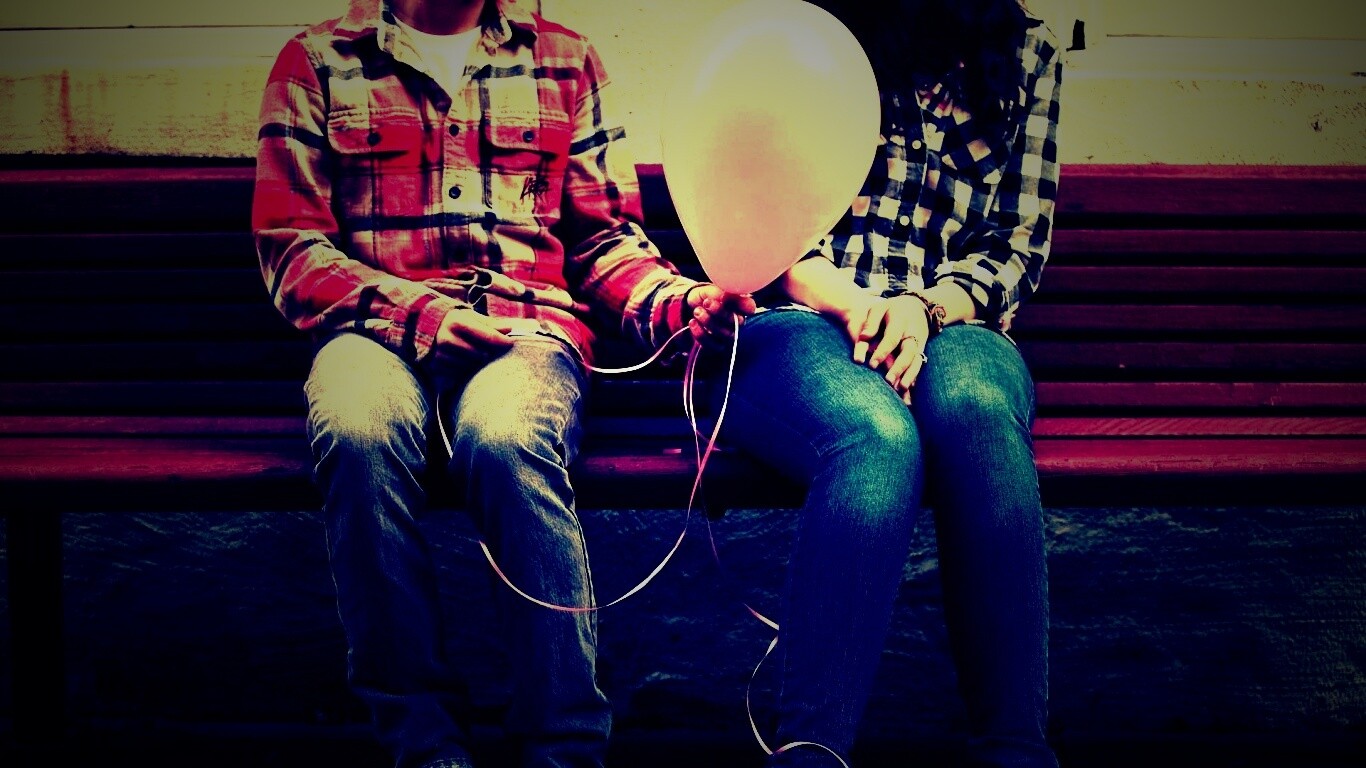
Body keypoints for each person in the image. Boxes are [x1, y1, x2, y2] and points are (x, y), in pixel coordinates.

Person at [252, 1, 752, 766]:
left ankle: (562, 749)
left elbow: (605, 243)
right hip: (372, 331)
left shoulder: (565, 60)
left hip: (526, 331)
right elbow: (292, 248)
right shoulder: (318, 62)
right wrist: (424, 317)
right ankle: (427, 747)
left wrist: (679, 306)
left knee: (507, 440)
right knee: (357, 430)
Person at [693, 1, 1063, 765]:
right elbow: (768, 232)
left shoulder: (1029, 55)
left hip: (957, 321)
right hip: (808, 318)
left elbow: (1015, 246)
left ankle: (1016, 753)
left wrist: (922, 311)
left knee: (975, 409)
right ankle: (811, 754)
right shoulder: (809, 40)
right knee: (876, 439)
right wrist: (862, 307)